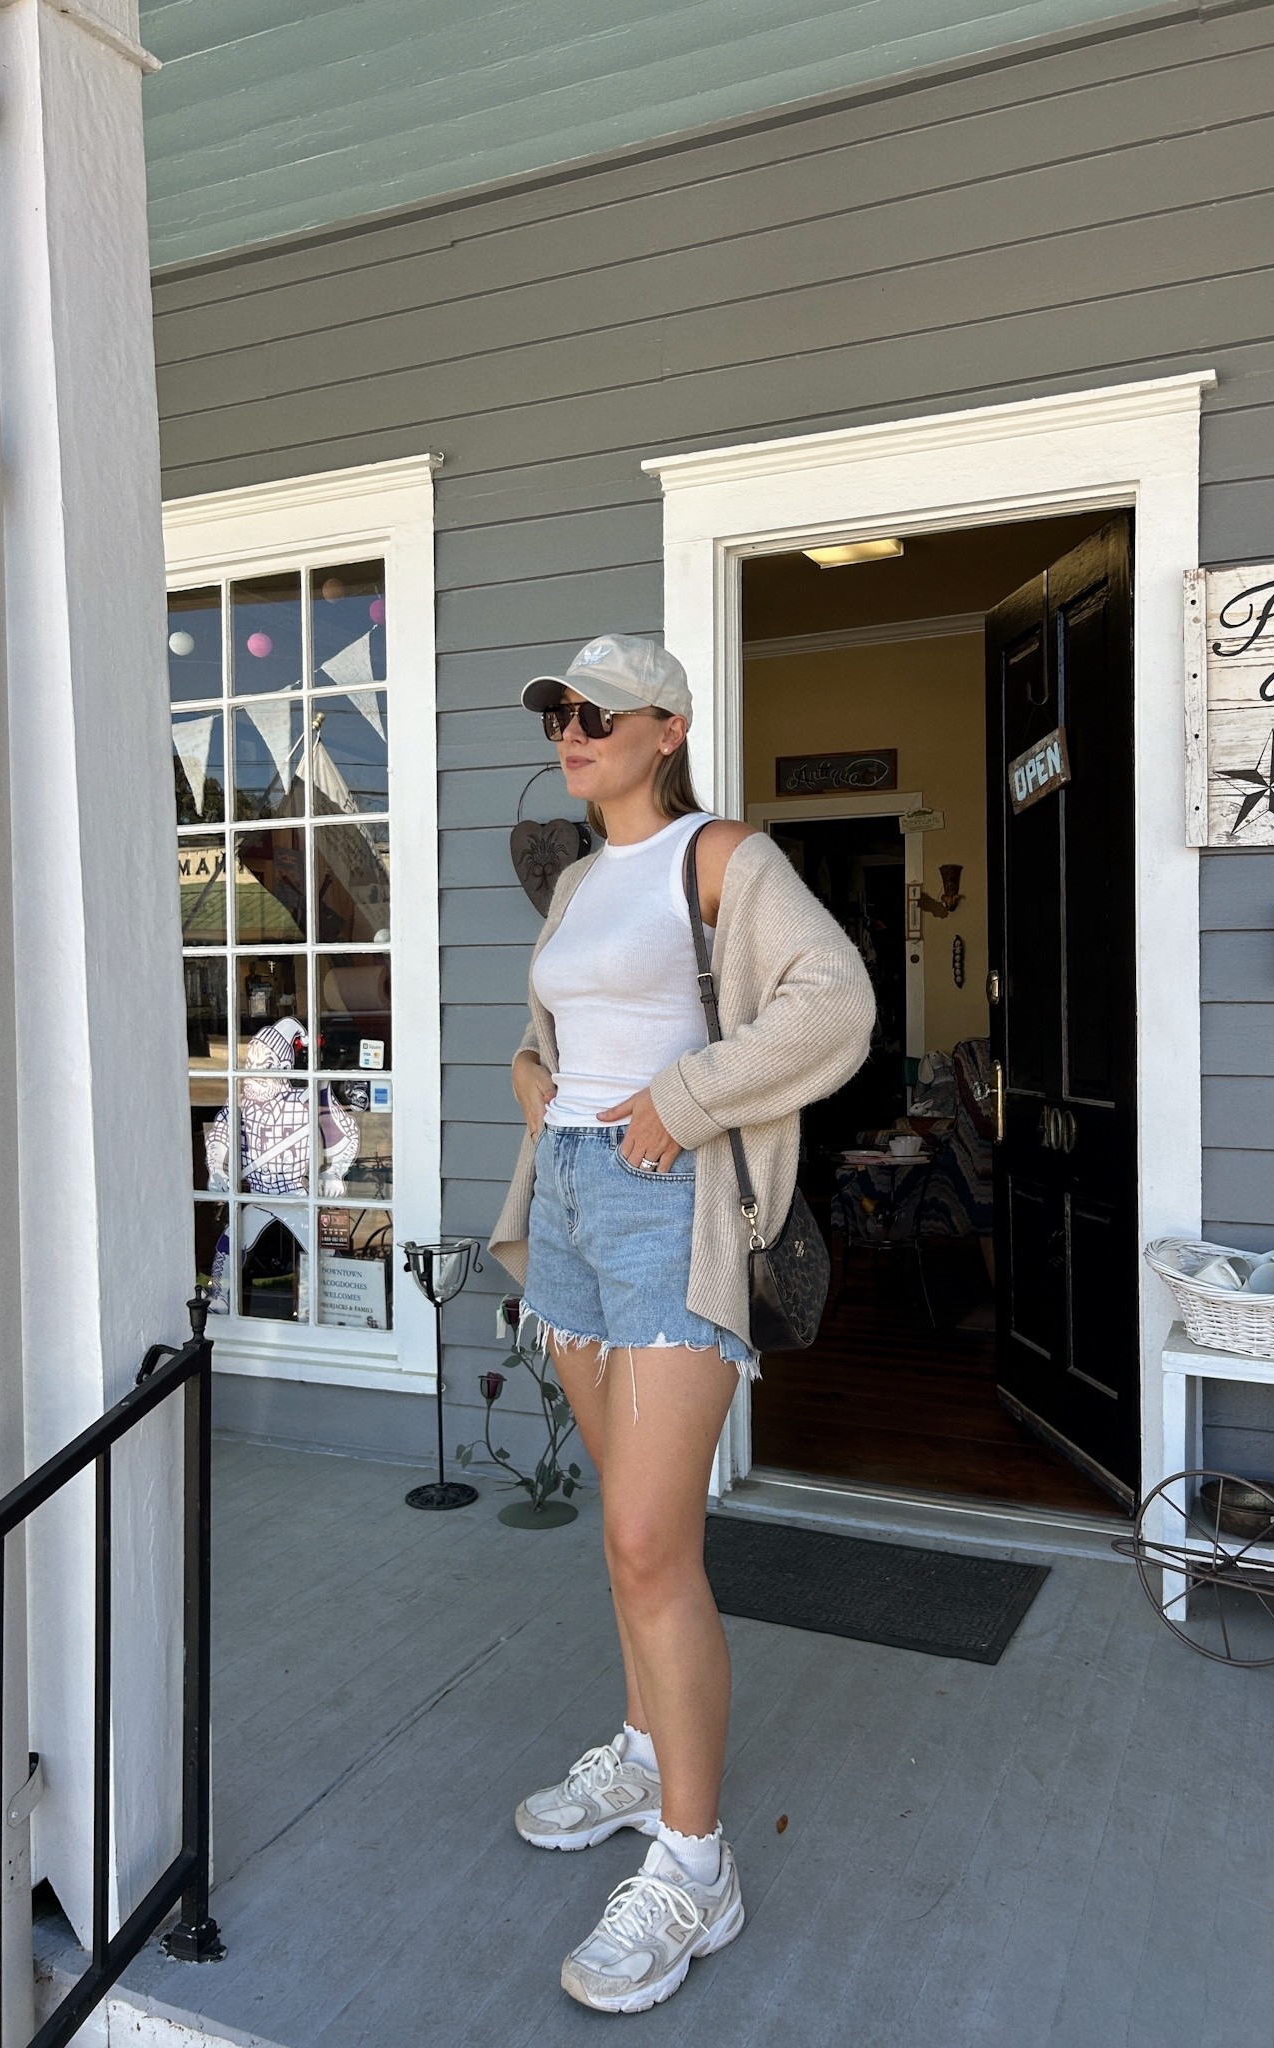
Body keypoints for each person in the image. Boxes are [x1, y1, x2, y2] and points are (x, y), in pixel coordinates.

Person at [490, 632, 875, 2015]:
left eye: (594, 711)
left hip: (673, 1214)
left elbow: (837, 1007)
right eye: (557, 714)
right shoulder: (584, 879)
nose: (570, 729)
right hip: (580, 1211)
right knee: (624, 1529)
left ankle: (695, 1864)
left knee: (655, 1540)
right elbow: (553, 1032)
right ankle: (646, 1750)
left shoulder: (724, 859)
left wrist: (684, 1099)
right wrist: (538, 1078)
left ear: (668, 726)